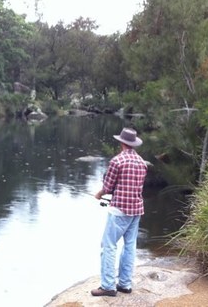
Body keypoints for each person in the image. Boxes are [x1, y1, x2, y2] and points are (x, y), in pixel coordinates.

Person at [91, 127, 148, 297]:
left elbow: (108, 187)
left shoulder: (117, 161)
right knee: (130, 246)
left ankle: (108, 286)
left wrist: (99, 194)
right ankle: (125, 284)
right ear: (134, 144)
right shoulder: (142, 163)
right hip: (136, 210)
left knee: (108, 245)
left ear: (122, 142)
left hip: (119, 211)